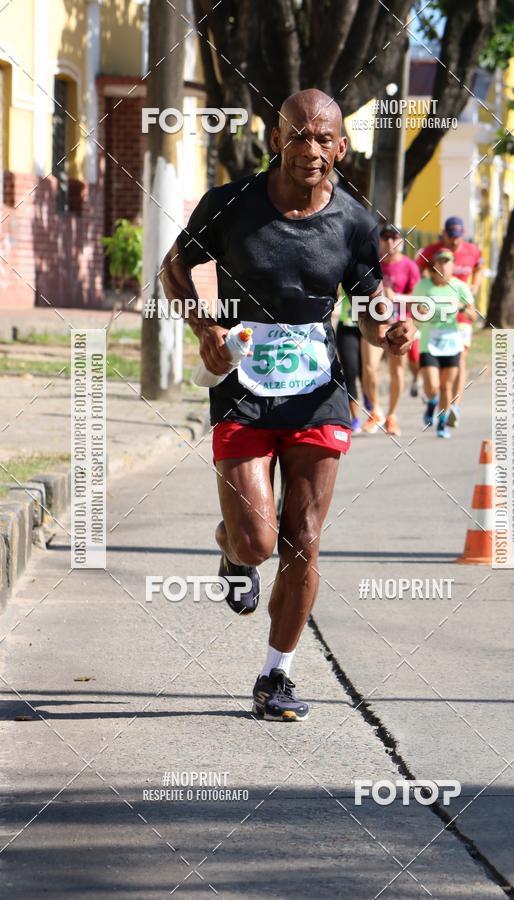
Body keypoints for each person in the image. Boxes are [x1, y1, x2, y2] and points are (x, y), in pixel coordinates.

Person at [160, 89, 414, 722]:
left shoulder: (356, 220)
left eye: (324, 139)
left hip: (317, 395)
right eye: (298, 135)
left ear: (341, 148)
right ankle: (232, 552)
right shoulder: (231, 205)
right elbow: (175, 267)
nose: (311, 149)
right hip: (244, 392)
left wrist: (392, 330)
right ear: (277, 140)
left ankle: (276, 676)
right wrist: (205, 330)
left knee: (302, 540)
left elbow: (371, 303)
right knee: (257, 540)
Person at [417, 216, 482, 427]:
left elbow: (479, 268)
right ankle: (439, 401)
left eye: (458, 237)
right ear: (444, 234)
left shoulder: (472, 250)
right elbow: (420, 268)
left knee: (460, 356)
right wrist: (432, 283)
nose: (455, 241)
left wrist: (475, 286)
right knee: (440, 374)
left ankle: (454, 405)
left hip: (461, 311)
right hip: (439, 310)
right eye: (451, 237)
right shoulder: (432, 250)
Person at [411, 248, 476, 439]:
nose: (443, 265)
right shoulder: (423, 286)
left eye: (447, 261)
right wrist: (420, 312)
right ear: (434, 265)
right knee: (432, 386)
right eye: (440, 261)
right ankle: (432, 403)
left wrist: (462, 307)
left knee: (446, 387)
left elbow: (474, 315)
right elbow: (414, 314)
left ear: (452, 265)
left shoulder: (460, 287)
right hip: (429, 342)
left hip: (451, 342)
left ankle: (442, 423)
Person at [361, 226, 420, 435]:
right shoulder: (373, 265)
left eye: (394, 238)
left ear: (401, 241)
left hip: (399, 324)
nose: (389, 242)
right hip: (375, 322)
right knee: (369, 367)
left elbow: (417, 299)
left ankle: (392, 416)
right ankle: (376, 411)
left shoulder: (409, 266)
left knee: (397, 369)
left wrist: (397, 297)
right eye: (385, 238)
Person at [336, 286, 363, 433]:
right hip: (347, 325)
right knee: (350, 371)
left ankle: (373, 409)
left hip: (369, 327)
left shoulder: (376, 273)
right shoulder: (346, 267)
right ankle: (355, 417)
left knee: (367, 370)